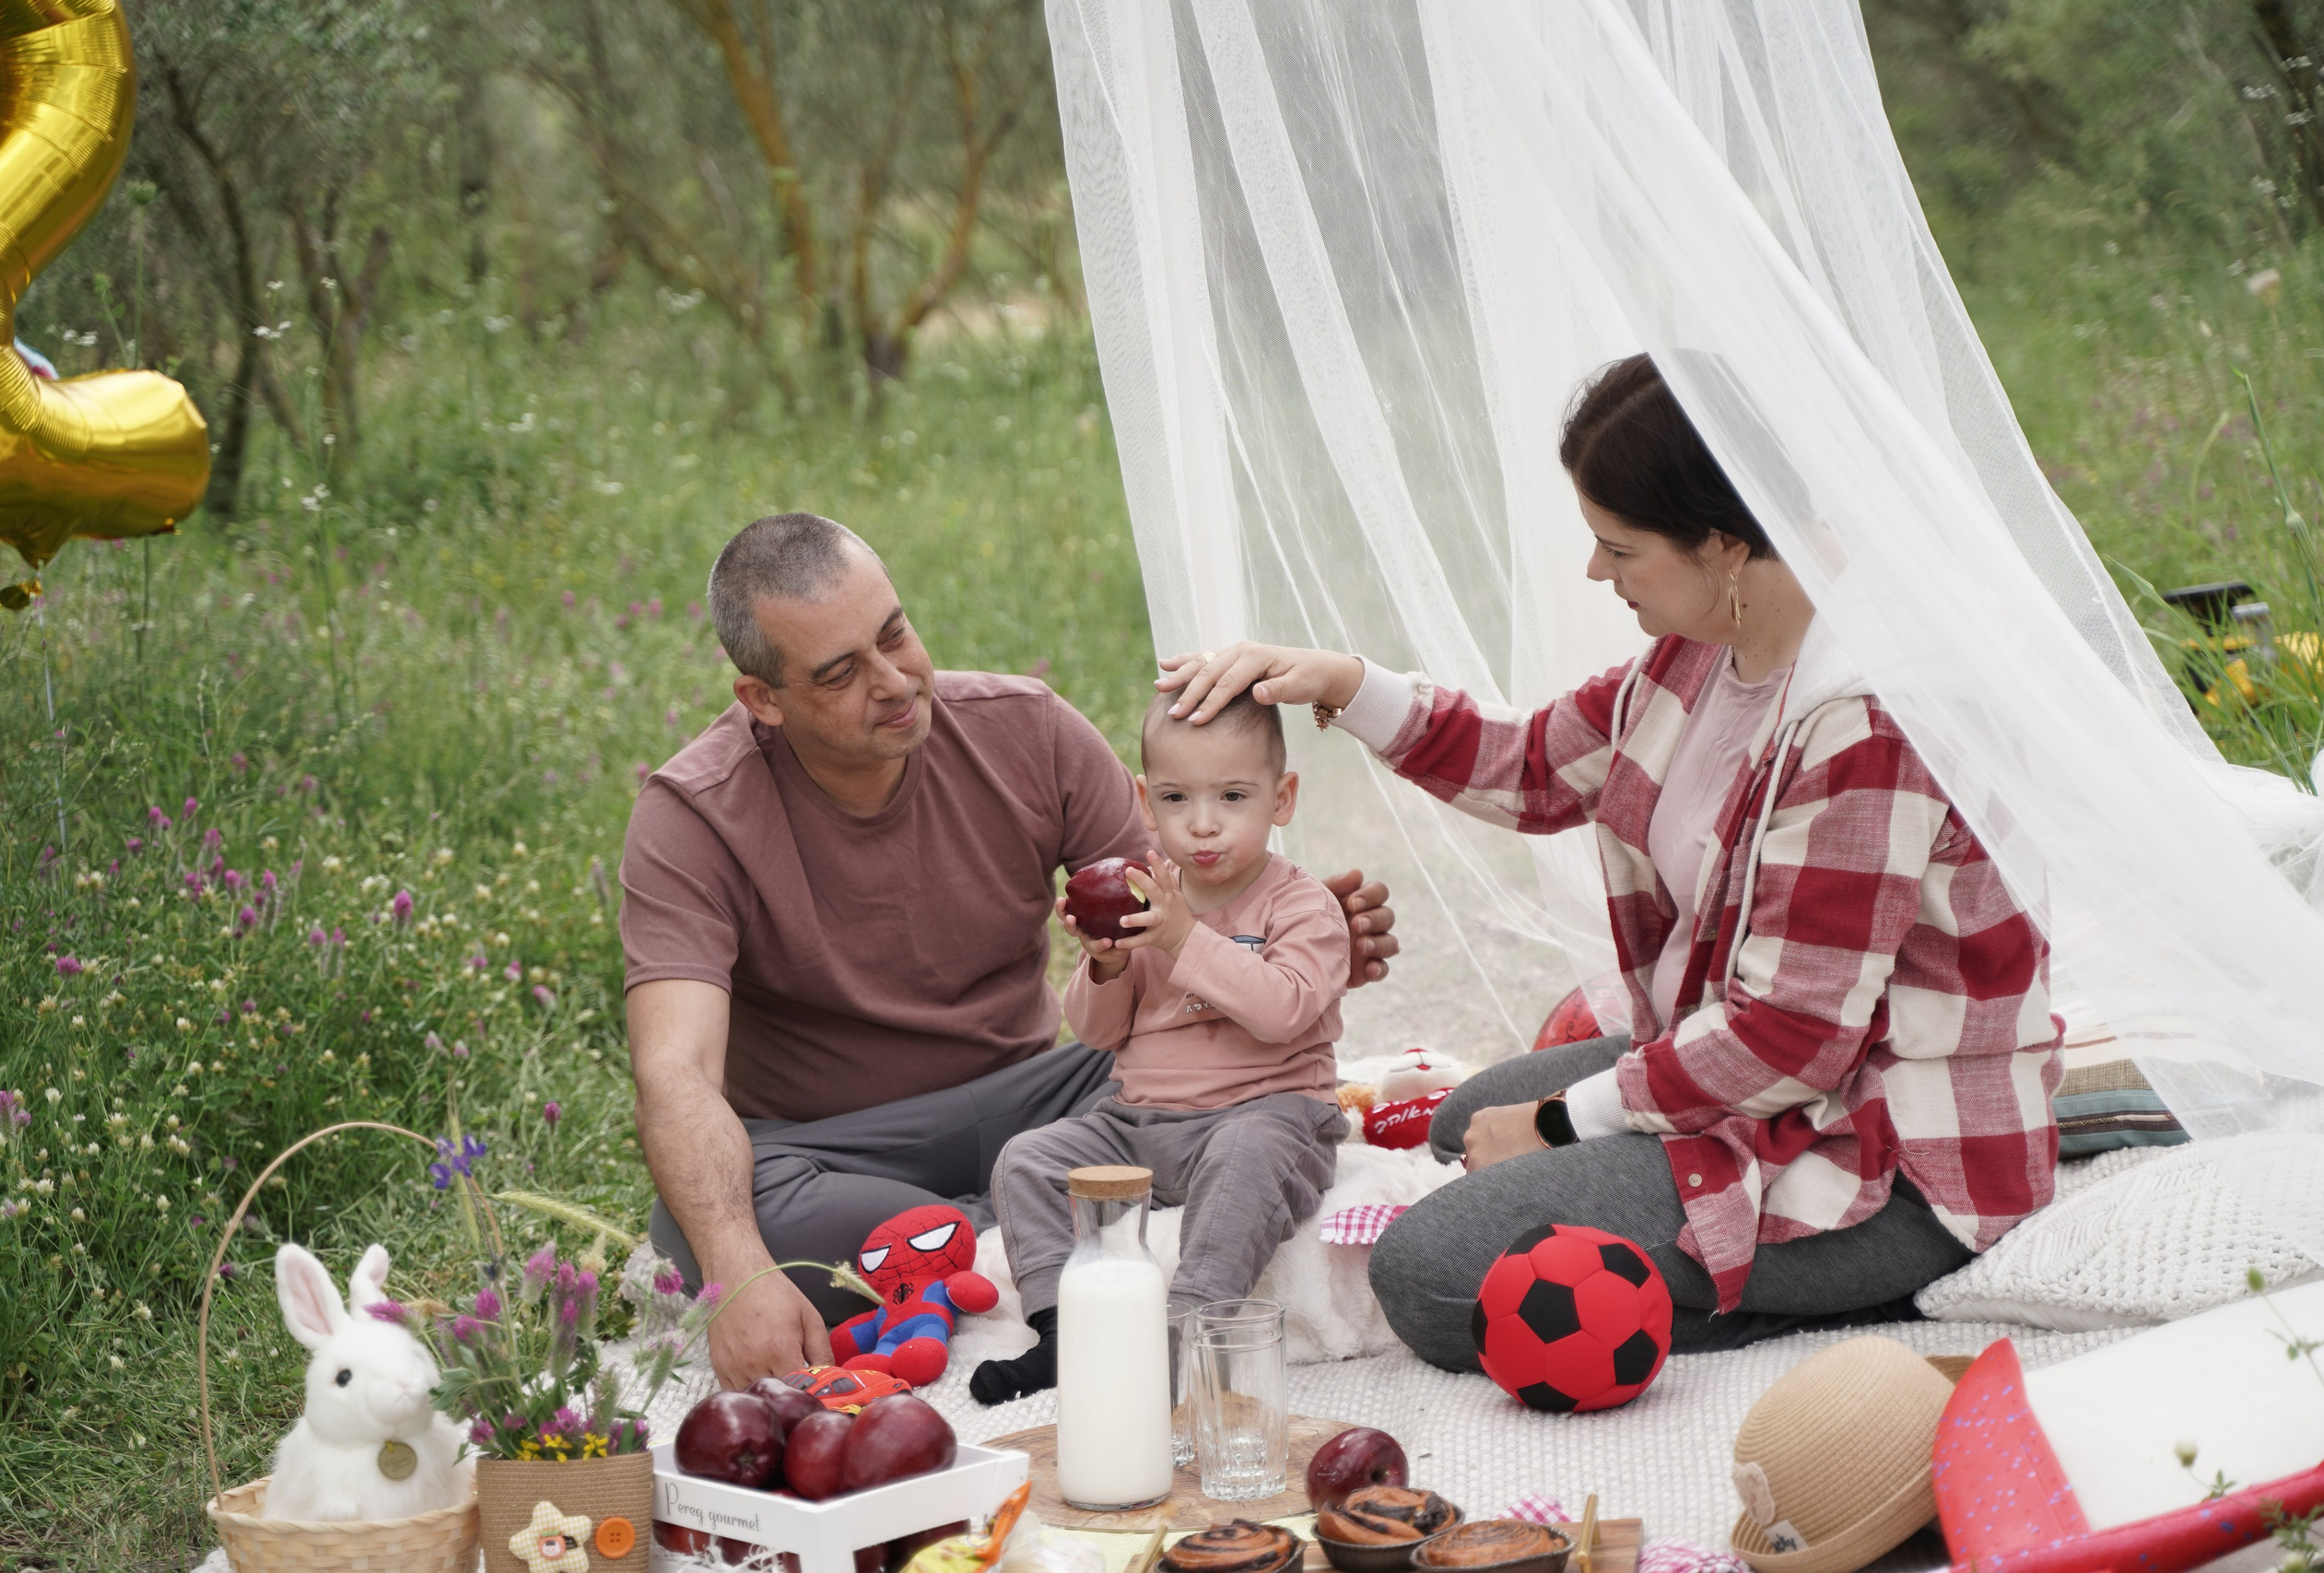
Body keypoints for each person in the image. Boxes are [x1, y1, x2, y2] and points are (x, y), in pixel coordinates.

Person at [1156, 354, 2063, 1363]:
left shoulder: (1865, 723)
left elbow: (1787, 1035)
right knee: (1463, 1123)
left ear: (1722, 546)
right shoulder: (1711, 641)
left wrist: (1557, 1126)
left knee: (1428, 1276)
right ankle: (1676, 1231)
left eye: (1617, 548)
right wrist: (1346, 682)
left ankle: (1864, 1289)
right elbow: (1536, 764)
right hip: (1783, 1087)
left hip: (1887, 1152)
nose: (1598, 573)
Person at [620, 511, 1399, 1389]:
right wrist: (744, 1272)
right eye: (841, 672)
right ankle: (1025, 1221)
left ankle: (957, 1245)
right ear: (763, 698)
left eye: (895, 633)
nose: (894, 681)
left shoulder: (1026, 730)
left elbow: (1169, 916)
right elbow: (674, 1073)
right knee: (701, 1228)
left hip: (1039, 1089)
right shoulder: (694, 814)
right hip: (830, 1145)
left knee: (1209, 1085)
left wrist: (1279, 940)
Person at [968, 693, 1351, 1405]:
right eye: (1177, 797)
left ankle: (1183, 1329)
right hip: (1142, 1123)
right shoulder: (1147, 897)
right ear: (1146, 801)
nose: (1203, 823)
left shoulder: (1300, 906)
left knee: (1243, 1161)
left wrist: (1184, 939)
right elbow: (1099, 1032)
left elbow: (1283, 1010)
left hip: (1266, 1112)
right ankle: (1062, 1331)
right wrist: (1107, 964)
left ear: (1282, 797)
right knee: (1028, 1158)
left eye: (1233, 796)